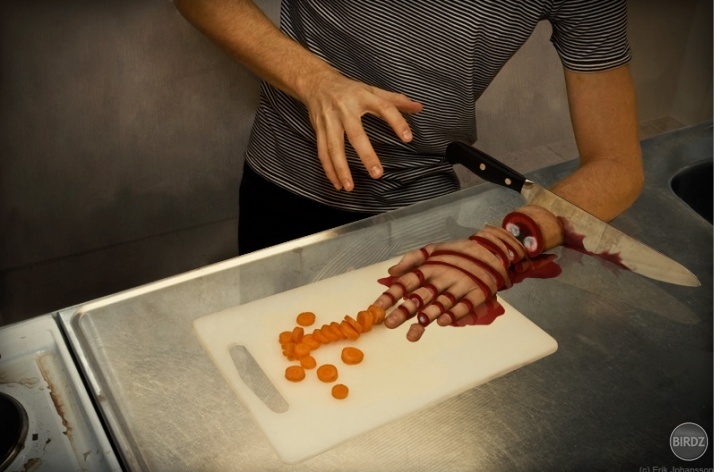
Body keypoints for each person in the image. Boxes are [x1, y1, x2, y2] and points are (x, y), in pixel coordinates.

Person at [174, 1, 644, 341]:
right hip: (286, 186)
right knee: (273, 355)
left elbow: (618, 165)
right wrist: (315, 81)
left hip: (422, 220)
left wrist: (508, 241)